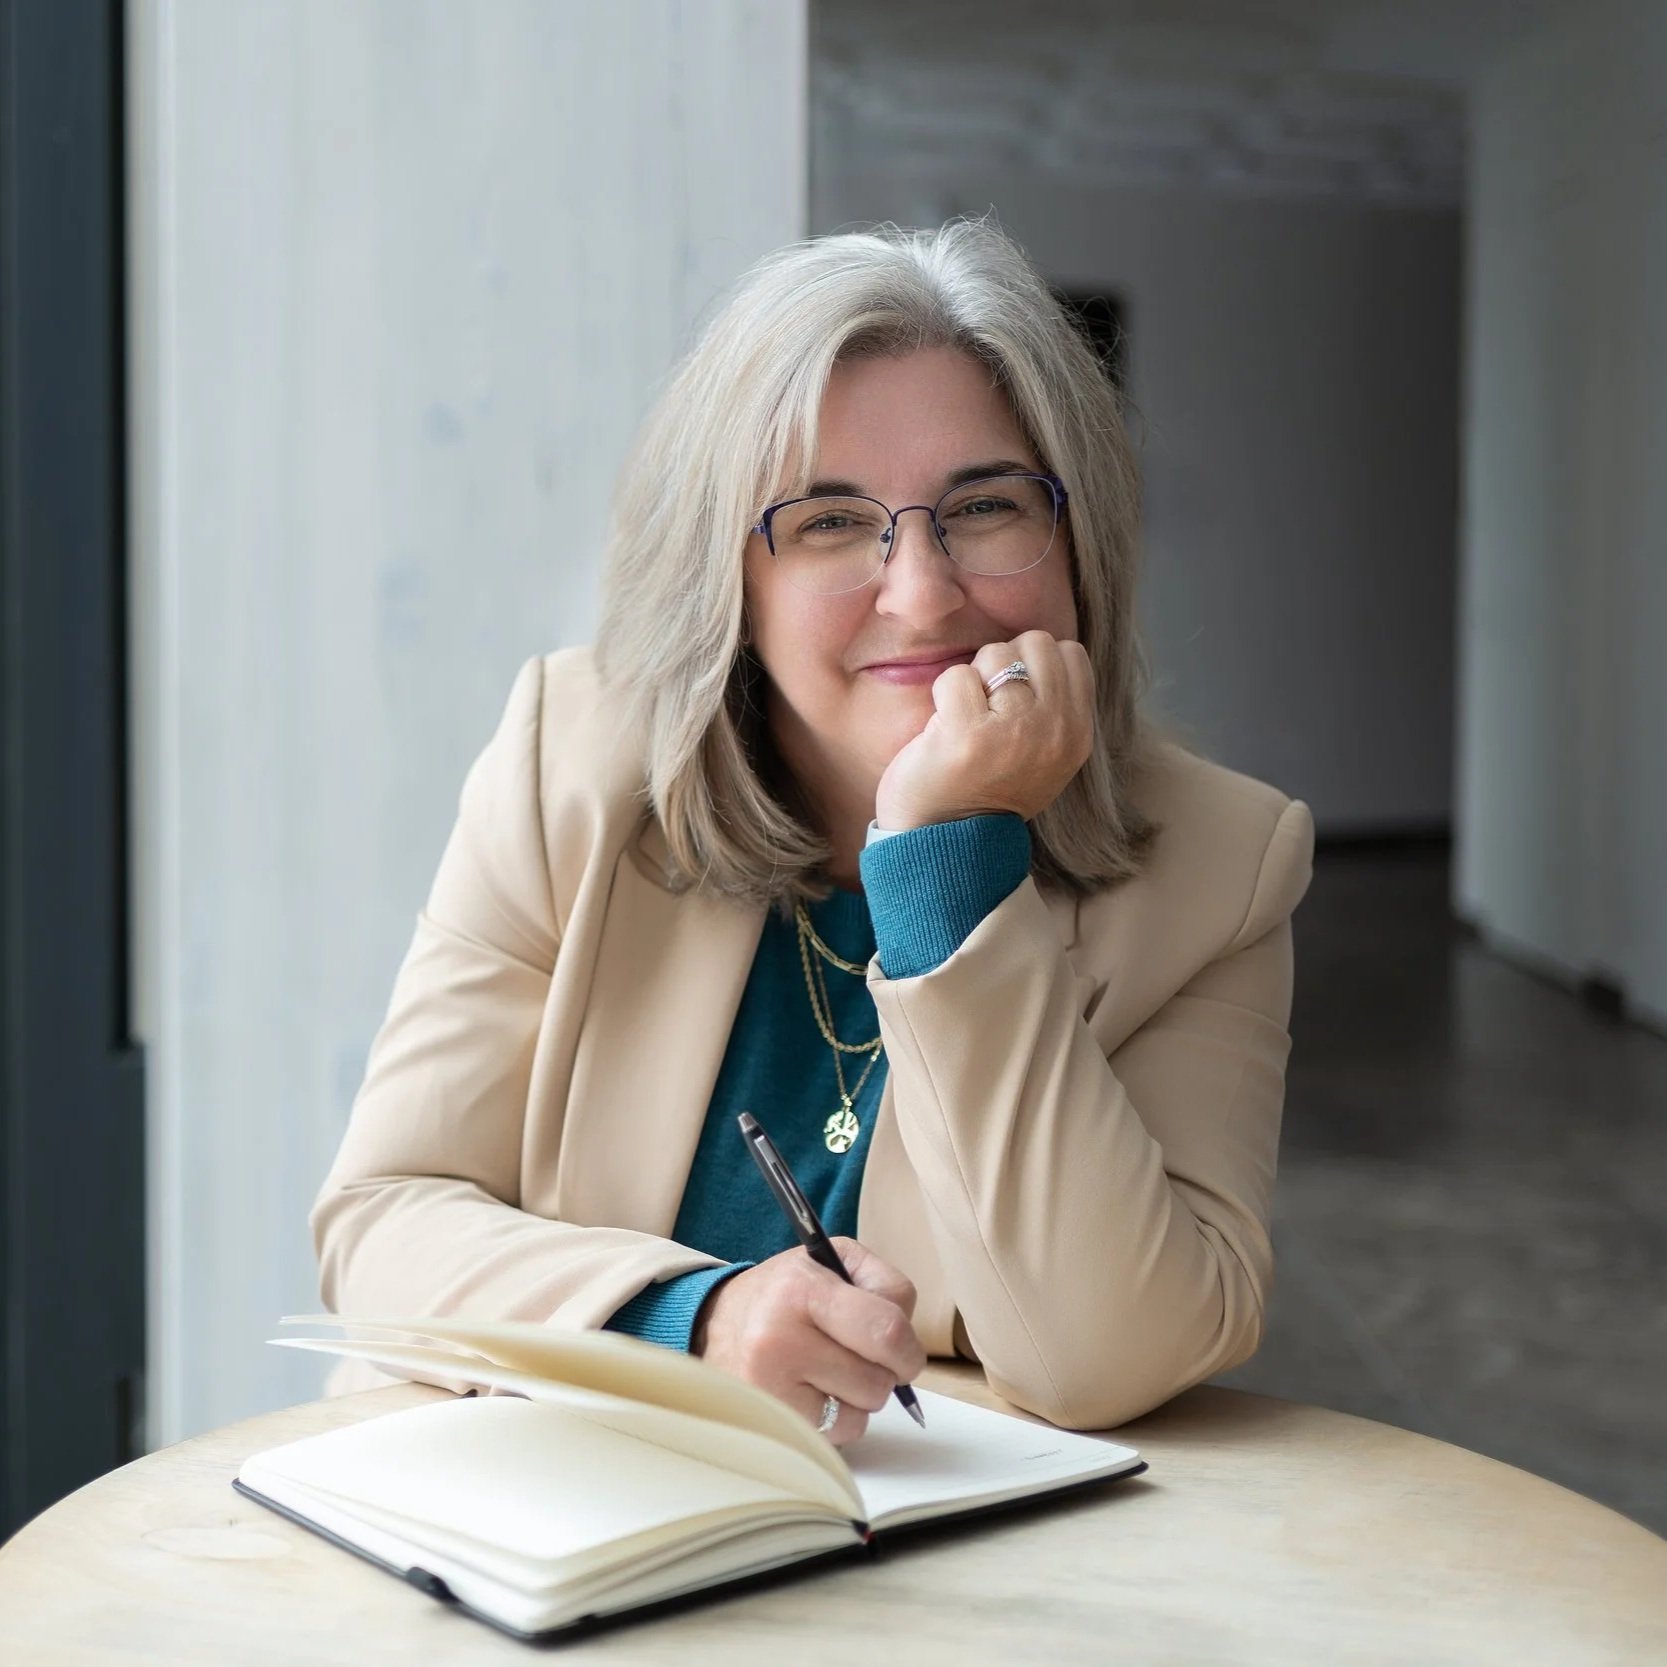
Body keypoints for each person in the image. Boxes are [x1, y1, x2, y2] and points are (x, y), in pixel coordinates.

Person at [310, 218, 1314, 1445]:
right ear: (727, 578)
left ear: (1079, 548)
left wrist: (947, 869)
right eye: (830, 522)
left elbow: (1110, 1354)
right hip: (524, 1513)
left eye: (986, 506)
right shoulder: (564, 763)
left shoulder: (1221, 863)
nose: (922, 591)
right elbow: (382, 1216)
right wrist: (695, 1315)